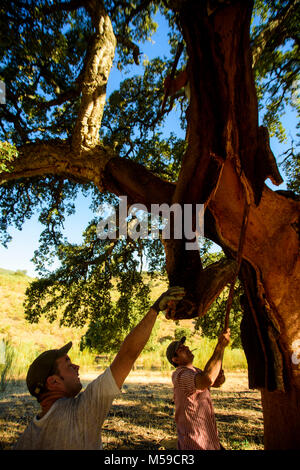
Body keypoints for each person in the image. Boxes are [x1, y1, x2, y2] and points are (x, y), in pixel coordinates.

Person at [14, 286, 185, 450]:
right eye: (68, 363)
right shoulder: (80, 413)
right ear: (53, 381)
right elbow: (127, 355)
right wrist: (155, 308)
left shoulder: (26, 438)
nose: (77, 366)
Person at [166, 329, 231, 450]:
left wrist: (220, 377)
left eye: (184, 345)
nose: (186, 347)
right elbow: (207, 379)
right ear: (175, 360)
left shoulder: (195, 371)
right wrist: (220, 346)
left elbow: (214, 382)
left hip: (209, 441)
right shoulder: (180, 375)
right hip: (195, 443)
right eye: (181, 349)